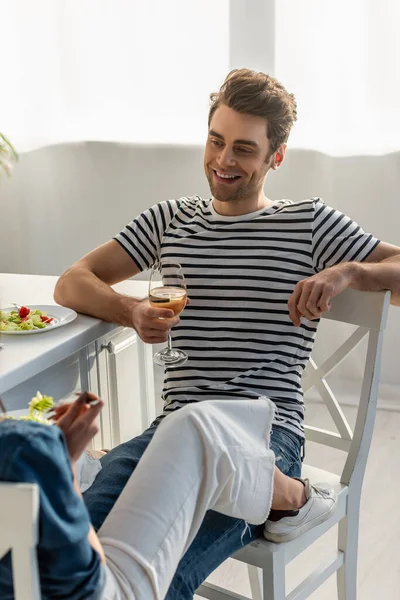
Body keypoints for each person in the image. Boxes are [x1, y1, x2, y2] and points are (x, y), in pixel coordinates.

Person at [54, 68, 400, 598]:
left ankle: (291, 494)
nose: (223, 160)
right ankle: (291, 500)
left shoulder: (308, 223)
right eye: (216, 141)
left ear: (275, 157)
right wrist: (130, 311)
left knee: (154, 573)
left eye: (243, 148)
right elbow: (72, 282)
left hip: (261, 443)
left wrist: (349, 271)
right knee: (68, 554)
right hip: (170, 434)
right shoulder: (169, 220)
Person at [0, 392, 335, 599]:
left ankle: (289, 496)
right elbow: (84, 580)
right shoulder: (25, 448)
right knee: (197, 425)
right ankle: (296, 498)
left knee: (195, 429)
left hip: (277, 434)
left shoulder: (22, 451)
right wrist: (66, 470)